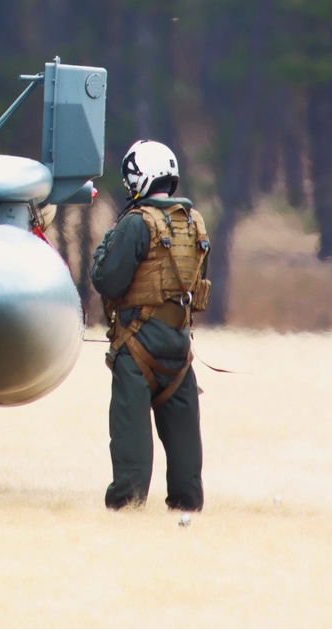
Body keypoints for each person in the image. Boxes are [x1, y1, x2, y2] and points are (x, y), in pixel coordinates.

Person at [90, 138, 211, 512]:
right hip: (178, 343)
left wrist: (103, 249)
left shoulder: (135, 224)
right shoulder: (192, 222)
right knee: (184, 434)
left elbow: (108, 280)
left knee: (130, 431)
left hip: (137, 343)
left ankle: (127, 503)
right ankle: (187, 503)